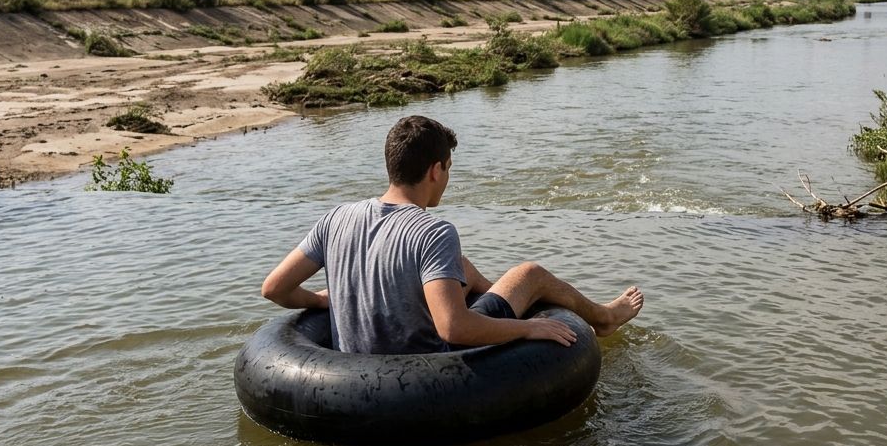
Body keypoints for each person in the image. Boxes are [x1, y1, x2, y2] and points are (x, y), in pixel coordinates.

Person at [261, 115, 644, 354]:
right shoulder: (433, 231)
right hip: (424, 372)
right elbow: (452, 328)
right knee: (530, 273)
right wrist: (528, 328)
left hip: (353, 367)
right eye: (448, 168)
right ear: (435, 171)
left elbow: (274, 288)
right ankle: (605, 317)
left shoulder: (336, 218)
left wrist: (326, 300)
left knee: (460, 268)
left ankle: (502, 300)